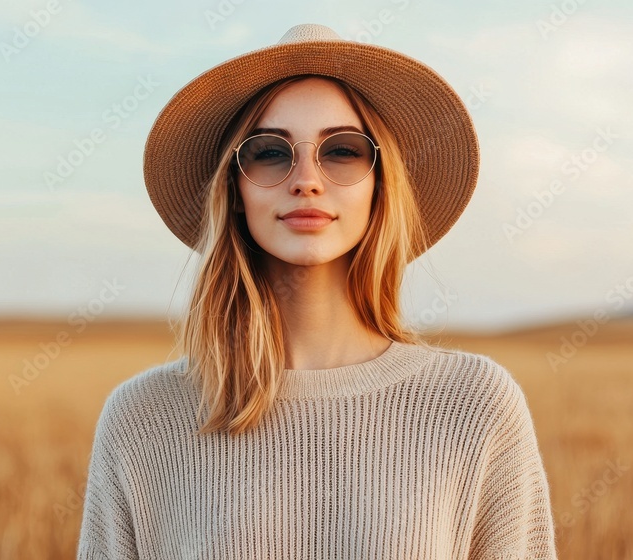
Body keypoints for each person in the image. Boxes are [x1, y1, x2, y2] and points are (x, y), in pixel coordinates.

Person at [76, 23, 557, 559]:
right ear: (234, 188)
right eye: (269, 152)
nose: (306, 179)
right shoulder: (141, 420)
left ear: (380, 186)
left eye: (342, 151)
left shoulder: (475, 405)